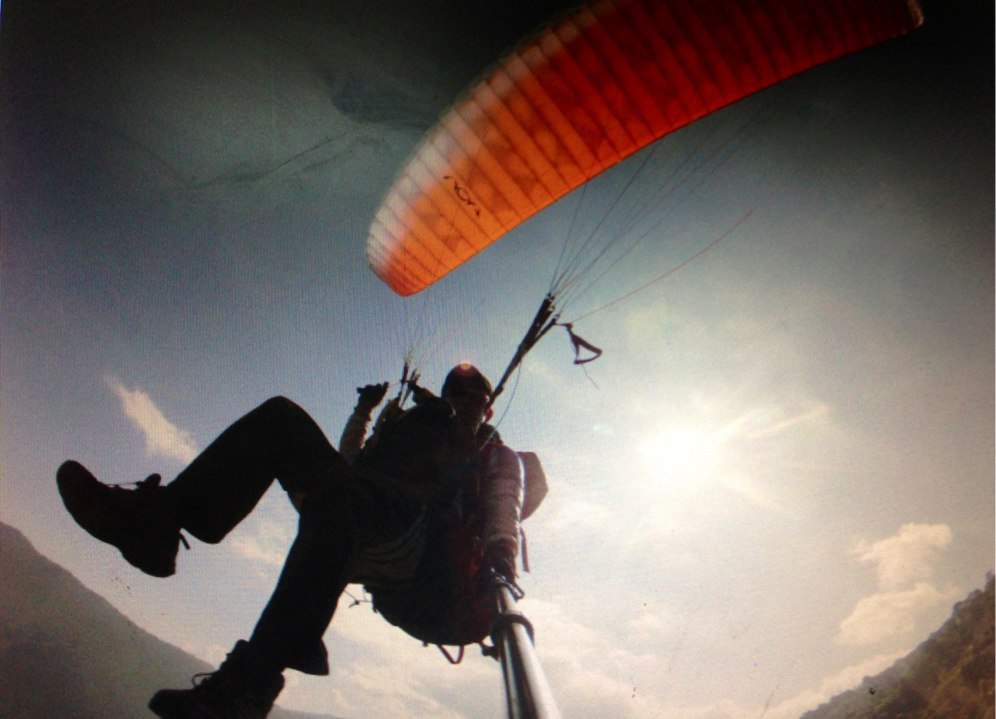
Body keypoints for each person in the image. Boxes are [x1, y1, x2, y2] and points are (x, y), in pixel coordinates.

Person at [56, 363, 525, 719]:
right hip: (359, 507)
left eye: (474, 396)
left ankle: (247, 686)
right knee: (281, 418)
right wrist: (364, 412)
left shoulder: (488, 452)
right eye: (455, 392)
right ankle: (156, 526)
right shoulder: (415, 428)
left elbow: (504, 496)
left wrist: (503, 550)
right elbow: (351, 462)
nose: (462, 400)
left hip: (412, 548)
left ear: (488, 407)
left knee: (344, 497)